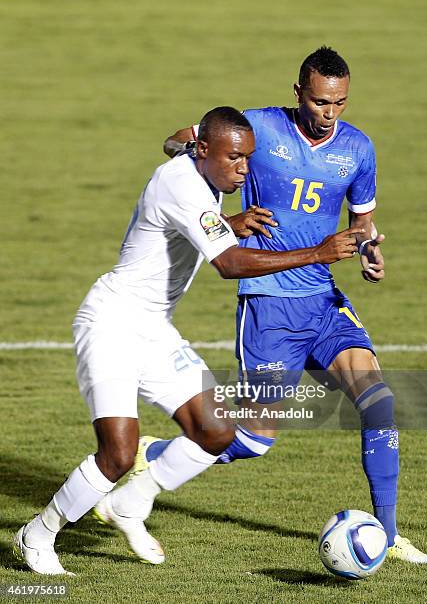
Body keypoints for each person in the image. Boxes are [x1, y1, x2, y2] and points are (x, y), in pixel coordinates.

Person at [13, 106, 363, 575]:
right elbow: (230, 265)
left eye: (248, 159)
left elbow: (177, 148)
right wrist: (319, 253)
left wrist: (224, 222)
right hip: (112, 324)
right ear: (204, 151)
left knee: (217, 430)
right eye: (234, 159)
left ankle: (130, 504)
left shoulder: (199, 169)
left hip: (154, 329)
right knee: (117, 453)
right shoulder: (181, 184)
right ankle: (37, 535)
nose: (243, 170)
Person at [138, 47, 427, 564]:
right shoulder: (256, 126)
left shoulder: (358, 147)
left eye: (339, 103)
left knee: (379, 403)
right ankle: (151, 456)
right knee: (255, 437)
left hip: (323, 298)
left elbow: (362, 220)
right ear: (298, 92)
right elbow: (177, 142)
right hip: (271, 306)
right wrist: (212, 196)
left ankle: (387, 537)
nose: (329, 114)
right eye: (320, 102)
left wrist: (368, 249)